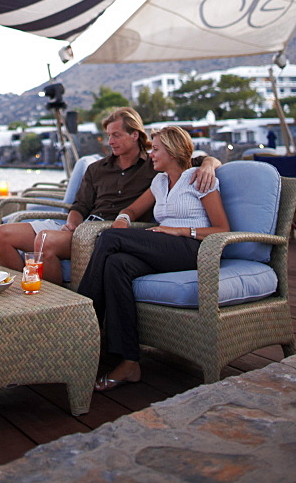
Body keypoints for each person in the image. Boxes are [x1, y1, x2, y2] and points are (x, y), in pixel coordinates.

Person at [77, 124, 229, 392]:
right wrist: (123, 218)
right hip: (163, 247)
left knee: (109, 239)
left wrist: (181, 230)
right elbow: (133, 209)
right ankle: (129, 362)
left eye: (156, 149)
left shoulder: (199, 178)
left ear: (172, 151)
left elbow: (222, 229)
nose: (152, 155)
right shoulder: (158, 182)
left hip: (194, 249)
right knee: (116, 265)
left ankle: (78, 326)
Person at [0, 108, 221, 284]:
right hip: (83, 225)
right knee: (1, 234)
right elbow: (80, 205)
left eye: (116, 135)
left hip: (111, 232)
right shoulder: (97, 168)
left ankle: (55, 307)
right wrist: (72, 223)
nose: (110, 141)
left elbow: (193, 159)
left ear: (135, 135)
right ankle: (22, 295)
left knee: (45, 240)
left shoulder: (156, 166)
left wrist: (209, 165)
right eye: (108, 135)